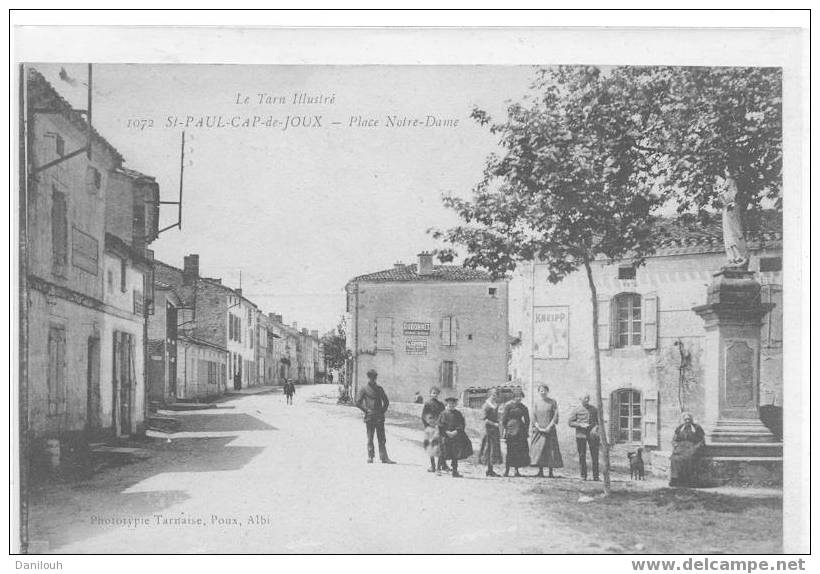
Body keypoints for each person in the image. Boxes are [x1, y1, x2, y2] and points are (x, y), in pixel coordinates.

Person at [355, 369, 395, 464]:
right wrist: (366, 410)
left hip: (379, 417)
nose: (373, 379)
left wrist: (382, 411)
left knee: (382, 438)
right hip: (370, 416)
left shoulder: (380, 389)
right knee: (370, 437)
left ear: (376, 378)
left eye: (374, 377)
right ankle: (370, 456)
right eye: (371, 377)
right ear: (368, 377)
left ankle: (384, 457)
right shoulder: (364, 389)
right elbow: (357, 402)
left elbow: (386, 402)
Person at [530, 384, 563, 478]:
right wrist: (538, 426)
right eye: (541, 391)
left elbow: (555, 415)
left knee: (550, 450)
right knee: (540, 450)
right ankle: (540, 471)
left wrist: (549, 426)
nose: (543, 392)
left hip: (550, 430)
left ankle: (550, 472)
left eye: (544, 390)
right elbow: (533, 416)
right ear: (538, 392)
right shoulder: (536, 403)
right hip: (539, 430)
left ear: (547, 391)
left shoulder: (552, 402)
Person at [437, 396, 473, 478]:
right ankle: (438, 469)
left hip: (456, 436)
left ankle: (455, 471)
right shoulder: (443, 413)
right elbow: (440, 425)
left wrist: (456, 431)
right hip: (445, 436)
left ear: (456, 404)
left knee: (455, 453)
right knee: (443, 452)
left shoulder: (458, 414)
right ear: (447, 404)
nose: (451, 405)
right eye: (450, 403)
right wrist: (447, 432)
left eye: (453, 403)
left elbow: (461, 424)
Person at [568, 394, 600, 481]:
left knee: (595, 455)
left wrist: (596, 427)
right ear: (580, 399)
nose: (587, 400)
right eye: (585, 398)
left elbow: (599, 421)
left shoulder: (594, 409)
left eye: (588, 398)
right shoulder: (576, 410)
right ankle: (583, 475)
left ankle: (596, 476)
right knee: (582, 455)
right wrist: (580, 425)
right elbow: (570, 422)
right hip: (581, 435)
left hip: (592, 435)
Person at [669, 412, 705, 487]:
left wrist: (695, 448)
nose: (687, 421)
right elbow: (674, 440)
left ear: (691, 420)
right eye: (686, 419)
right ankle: (675, 479)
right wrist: (675, 445)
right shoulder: (680, 428)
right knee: (675, 459)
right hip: (680, 449)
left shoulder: (697, 428)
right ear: (684, 420)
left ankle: (688, 481)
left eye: (689, 419)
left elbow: (702, 441)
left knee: (689, 458)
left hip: (692, 448)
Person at [501, 389, 530, 477]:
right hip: (510, 431)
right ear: (513, 397)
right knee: (510, 450)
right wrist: (507, 429)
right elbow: (504, 420)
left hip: (520, 432)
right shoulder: (508, 406)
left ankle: (516, 470)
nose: (519, 398)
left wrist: (525, 430)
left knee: (518, 451)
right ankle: (506, 470)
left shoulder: (524, 407)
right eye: (517, 397)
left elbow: (527, 420)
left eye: (520, 397)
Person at [421, 386, 449, 471]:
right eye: (433, 393)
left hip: (440, 427)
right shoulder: (427, 404)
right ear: (430, 394)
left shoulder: (441, 404)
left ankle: (443, 465)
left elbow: (444, 415)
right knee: (431, 446)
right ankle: (433, 466)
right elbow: (424, 416)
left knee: (442, 446)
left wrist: (442, 424)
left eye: (436, 393)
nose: (435, 395)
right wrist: (430, 424)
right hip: (431, 428)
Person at [478, 387, 503, 477]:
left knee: (493, 449)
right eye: (493, 394)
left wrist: (498, 421)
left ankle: (490, 469)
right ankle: (488, 469)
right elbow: (484, 419)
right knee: (487, 448)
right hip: (487, 429)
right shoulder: (486, 405)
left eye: (496, 394)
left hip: (494, 430)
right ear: (489, 394)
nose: (494, 396)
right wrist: (494, 424)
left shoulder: (495, 404)